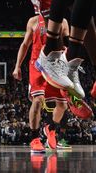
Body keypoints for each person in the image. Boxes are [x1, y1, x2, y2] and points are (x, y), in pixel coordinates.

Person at [13, 14, 72, 153]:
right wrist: (17, 66)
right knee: (38, 100)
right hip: (37, 65)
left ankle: (50, 129)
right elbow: (25, 44)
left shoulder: (63, 21)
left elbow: (68, 46)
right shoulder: (33, 21)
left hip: (56, 65)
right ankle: (35, 138)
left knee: (63, 105)